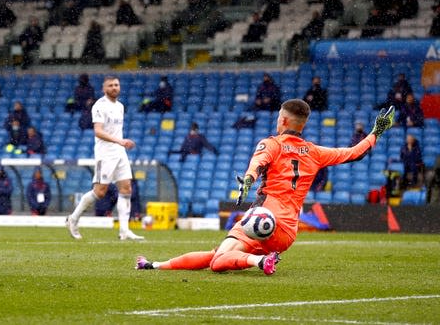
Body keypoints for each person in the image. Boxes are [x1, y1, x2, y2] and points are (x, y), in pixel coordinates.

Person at [136, 99, 395, 275]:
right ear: (302, 124)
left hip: (263, 216)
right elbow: (353, 153)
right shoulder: (315, 152)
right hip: (286, 233)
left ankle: (260, 261)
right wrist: (376, 132)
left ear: (282, 119)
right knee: (220, 254)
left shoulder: (272, 143)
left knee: (217, 262)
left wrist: (248, 180)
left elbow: (257, 162)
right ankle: (155, 265)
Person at [66, 75, 144, 240]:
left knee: (126, 188)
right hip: (105, 154)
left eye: (116, 85)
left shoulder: (120, 106)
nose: (114, 88)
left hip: (119, 152)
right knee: (100, 192)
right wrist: (120, 141)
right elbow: (98, 131)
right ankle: (73, 219)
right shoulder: (99, 106)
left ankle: (124, 230)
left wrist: (120, 144)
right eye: (110, 85)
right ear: (104, 89)